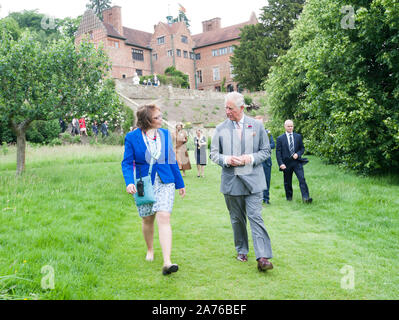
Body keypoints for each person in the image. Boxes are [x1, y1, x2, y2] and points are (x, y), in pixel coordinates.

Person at [210, 92, 273, 272]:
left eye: (231, 108)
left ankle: (262, 257)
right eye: (226, 108)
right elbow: (214, 154)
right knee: (237, 219)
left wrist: (250, 158)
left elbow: (266, 151)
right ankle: (242, 250)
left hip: (254, 180)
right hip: (232, 181)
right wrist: (227, 159)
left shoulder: (257, 126)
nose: (227, 111)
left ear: (242, 108)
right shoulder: (221, 129)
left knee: (255, 217)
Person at [121, 104, 186, 275]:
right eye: (157, 117)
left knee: (164, 217)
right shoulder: (132, 137)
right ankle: (150, 249)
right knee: (148, 219)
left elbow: (171, 159)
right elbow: (127, 163)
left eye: (160, 116)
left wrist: (180, 183)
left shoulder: (164, 134)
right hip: (144, 183)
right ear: (146, 120)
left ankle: (167, 262)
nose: (161, 120)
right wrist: (129, 181)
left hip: (166, 181)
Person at [276, 119, 312, 203]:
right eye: (288, 126)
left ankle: (306, 198)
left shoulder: (298, 136)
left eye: (291, 126)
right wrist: (281, 163)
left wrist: (298, 154)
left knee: (302, 179)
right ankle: (289, 198)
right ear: (285, 127)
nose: (290, 128)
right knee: (287, 182)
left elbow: (302, 148)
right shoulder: (280, 138)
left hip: (297, 162)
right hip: (286, 163)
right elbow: (278, 152)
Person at [254, 116, 275, 204]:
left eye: (261, 122)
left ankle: (266, 198)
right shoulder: (252, 133)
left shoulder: (268, 133)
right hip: (256, 161)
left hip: (266, 161)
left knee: (267, 180)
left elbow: (273, 145)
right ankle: (256, 198)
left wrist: (265, 148)